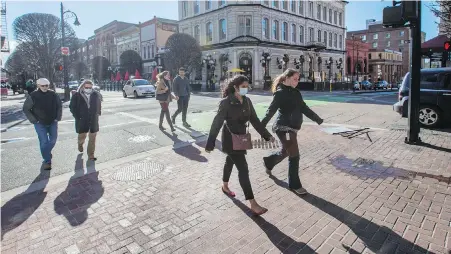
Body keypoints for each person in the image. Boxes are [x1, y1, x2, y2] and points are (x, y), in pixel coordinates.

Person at [205, 75, 274, 216]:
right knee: (243, 168)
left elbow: (255, 120)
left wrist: (267, 135)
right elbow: (217, 122)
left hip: (241, 138)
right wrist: (211, 142)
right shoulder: (226, 102)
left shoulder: (247, 101)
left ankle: (224, 186)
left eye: (247, 86)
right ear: (235, 87)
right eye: (243, 87)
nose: (246, 89)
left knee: (230, 162)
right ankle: (252, 203)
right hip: (230, 139)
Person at [261, 69, 324, 195]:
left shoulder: (296, 93)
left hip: (293, 128)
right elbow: (270, 111)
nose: (297, 81)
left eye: (298, 79)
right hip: (284, 128)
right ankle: (294, 185)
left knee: (285, 152)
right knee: (294, 155)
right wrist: (261, 126)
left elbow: (304, 108)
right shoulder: (280, 93)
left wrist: (317, 119)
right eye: (295, 79)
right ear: (287, 78)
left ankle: (269, 162)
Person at [23, 78, 62, 170]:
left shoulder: (53, 94)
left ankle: (46, 152)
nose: (45, 87)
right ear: (38, 86)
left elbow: (59, 106)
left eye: (46, 85)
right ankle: (47, 161)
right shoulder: (33, 95)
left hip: (52, 121)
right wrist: (34, 120)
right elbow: (26, 109)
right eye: (42, 86)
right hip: (39, 122)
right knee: (44, 141)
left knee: (53, 140)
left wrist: (57, 118)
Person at [69, 80, 102, 161]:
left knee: (92, 138)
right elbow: (72, 107)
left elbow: (99, 104)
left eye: (90, 87)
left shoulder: (95, 94)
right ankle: (80, 144)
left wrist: (98, 113)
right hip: (82, 120)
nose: (88, 89)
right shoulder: (77, 95)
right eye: (86, 87)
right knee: (82, 136)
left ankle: (91, 155)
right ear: (83, 86)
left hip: (93, 119)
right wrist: (77, 116)